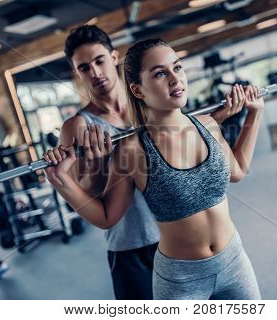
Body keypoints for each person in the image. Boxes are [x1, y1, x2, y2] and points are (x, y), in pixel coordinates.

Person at [44, 38, 263, 299]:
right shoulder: (132, 150)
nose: (174, 79)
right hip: (180, 279)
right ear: (138, 90)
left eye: (177, 68)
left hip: (234, 261)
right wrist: (61, 180)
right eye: (160, 73)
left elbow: (237, 171)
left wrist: (254, 114)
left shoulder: (209, 124)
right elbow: (106, 217)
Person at [54, 25, 162, 300]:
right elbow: (88, 199)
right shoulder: (78, 126)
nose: (95, 73)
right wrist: (96, 166)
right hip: (131, 247)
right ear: (77, 73)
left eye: (99, 60)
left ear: (114, 57)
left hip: (177, 232)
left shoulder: (150, 103)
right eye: (84, 68)